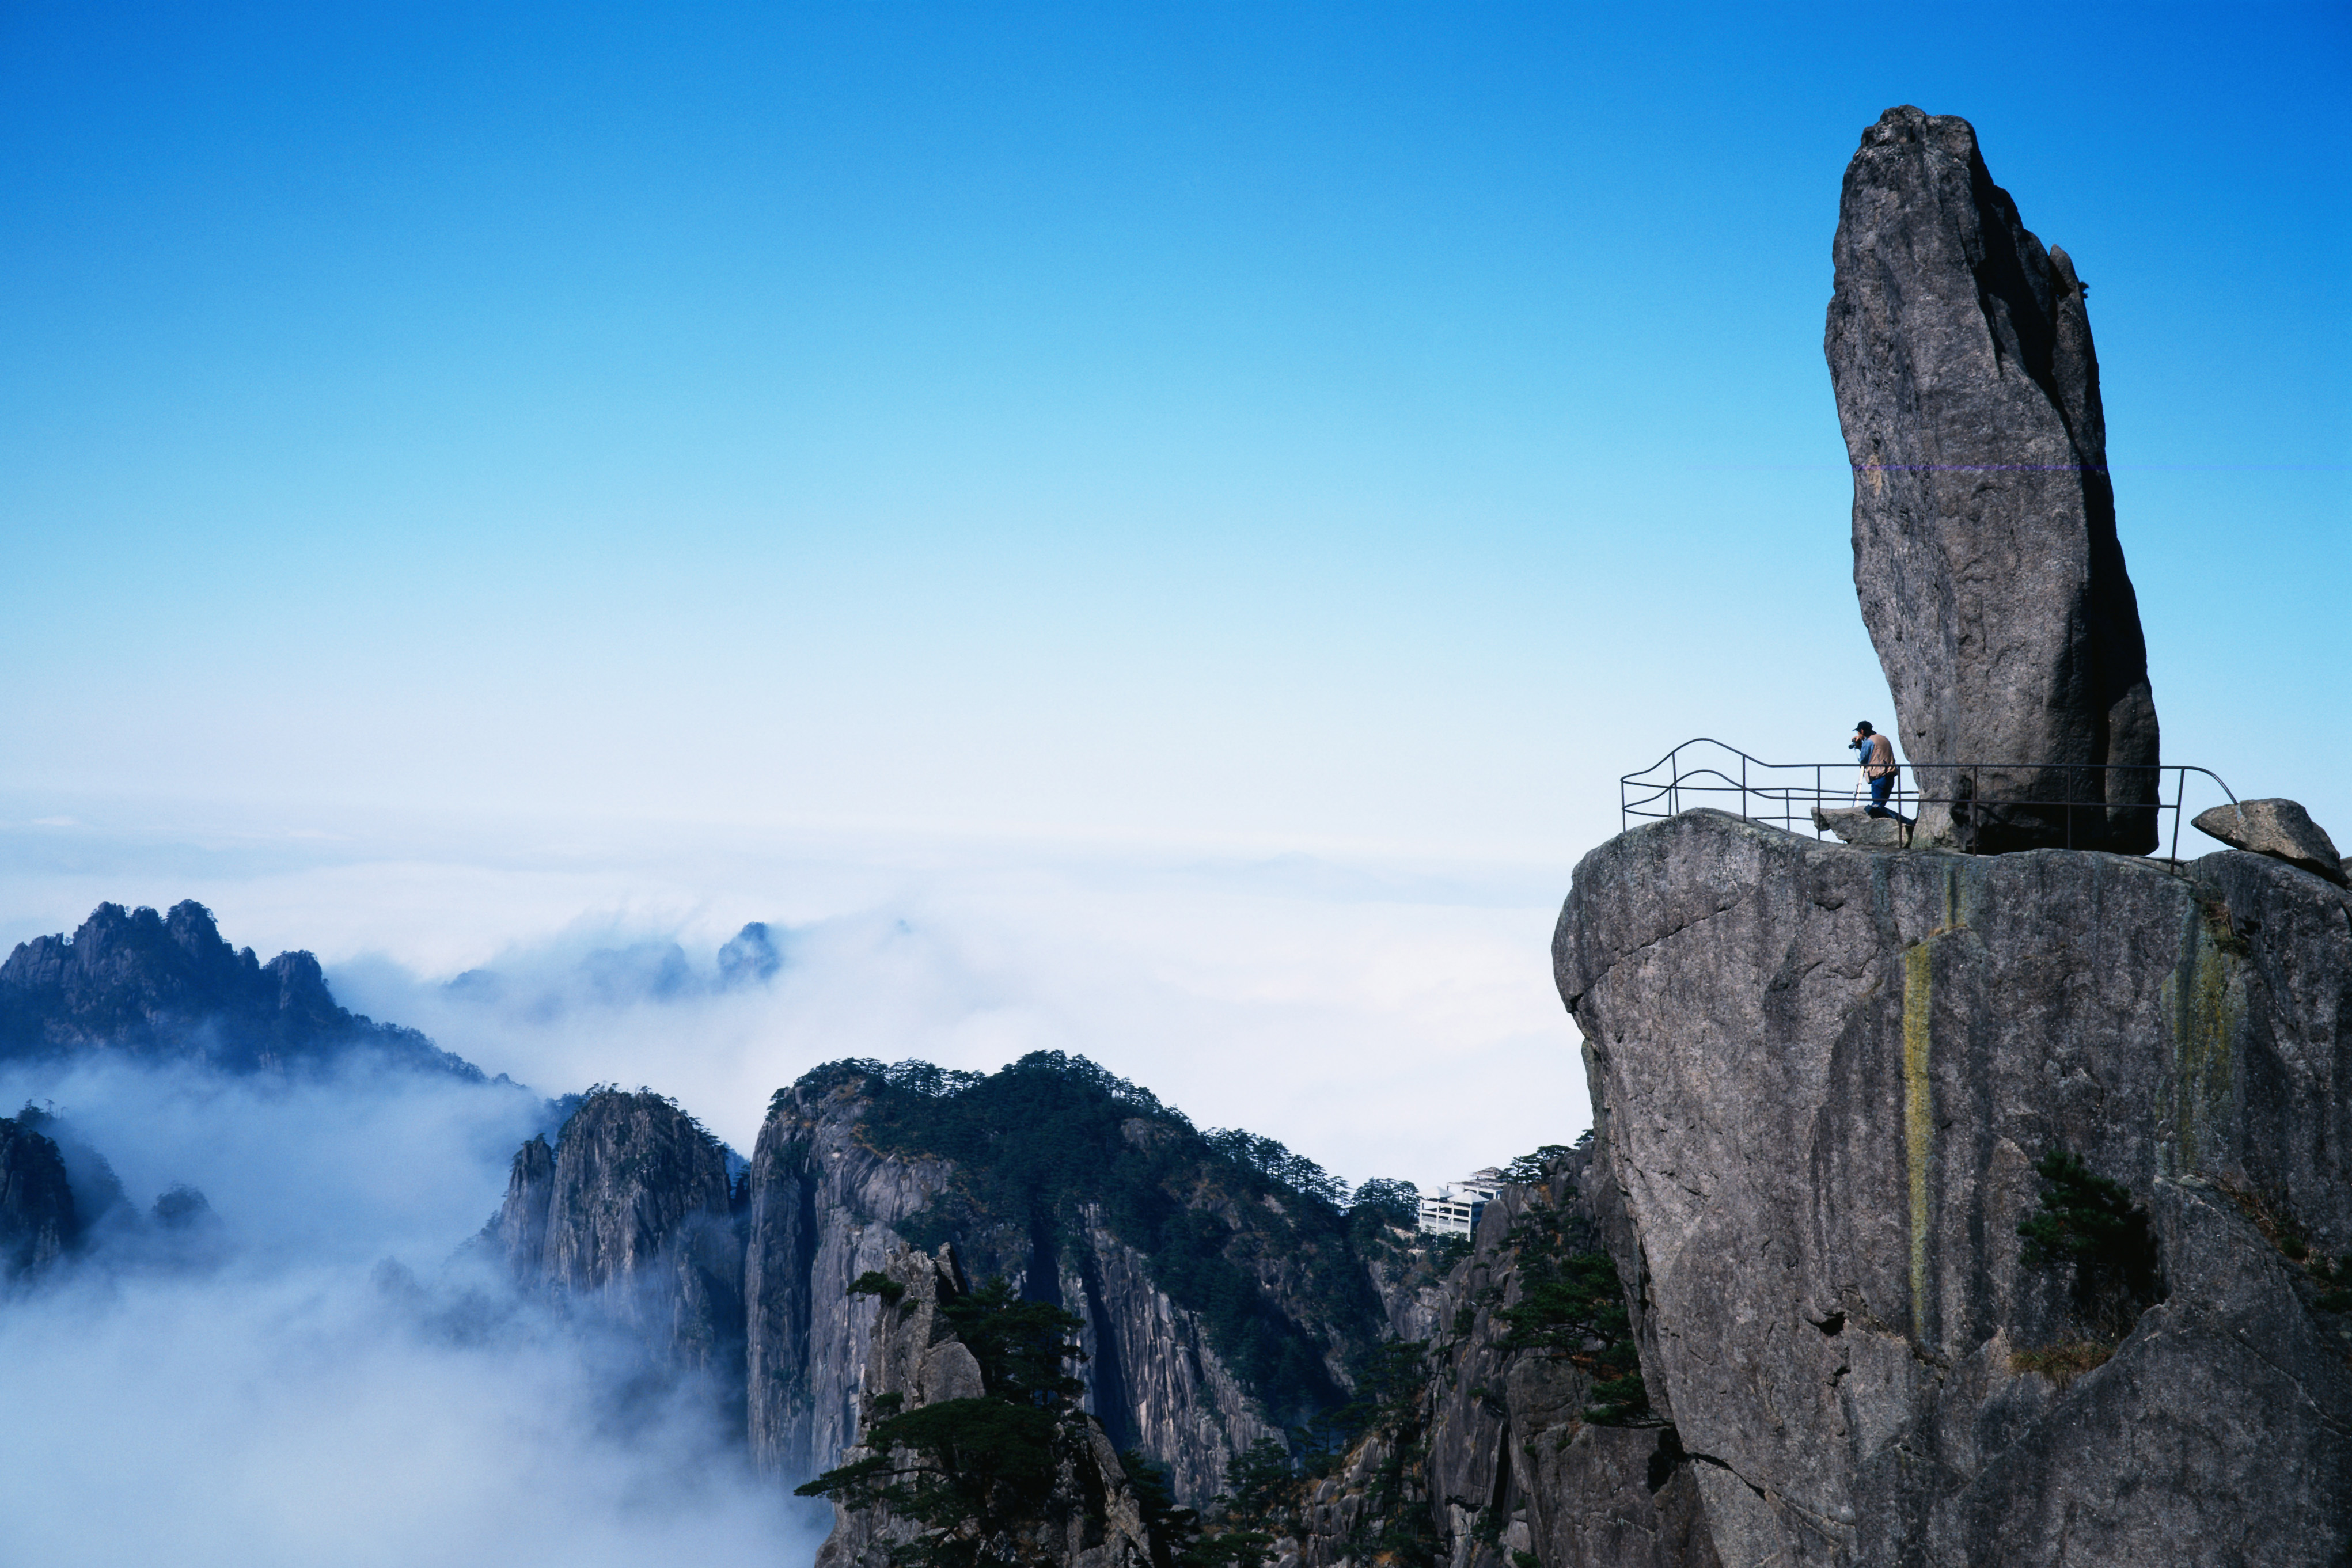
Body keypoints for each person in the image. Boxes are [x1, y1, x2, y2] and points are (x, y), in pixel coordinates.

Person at [1850, 721, 1909, 822]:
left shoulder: (1869, 742)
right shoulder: (1883, 738)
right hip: (1890, 775)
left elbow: (1864, 760)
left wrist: (1859, 745)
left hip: (1879, 776)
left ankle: (1908, 822)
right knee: (1880, 806)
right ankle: (1906, 822)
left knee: (1876, 807)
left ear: (1862, 731)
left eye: (1859, 733)